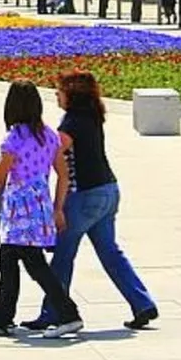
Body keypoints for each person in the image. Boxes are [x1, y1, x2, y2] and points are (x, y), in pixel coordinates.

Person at [23, 71, 156, 333]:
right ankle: (142, 303)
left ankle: (54, 312)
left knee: (62, 255)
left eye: (59, 91)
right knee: (110, 252)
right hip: (108, 190)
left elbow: (51, 153)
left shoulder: (71, 124)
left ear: (72, 95)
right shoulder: (92, 116)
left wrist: (55, 206)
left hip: (84, 196)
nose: (56, 95)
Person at [0, 80, 82, 338]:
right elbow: (64, 174)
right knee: (10, 260)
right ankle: (2, 319)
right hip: (40, 205)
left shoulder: (13, 139)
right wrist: (58, 208)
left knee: (33, 265)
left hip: (19, 209)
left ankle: (69, 315)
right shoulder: (49, 136)